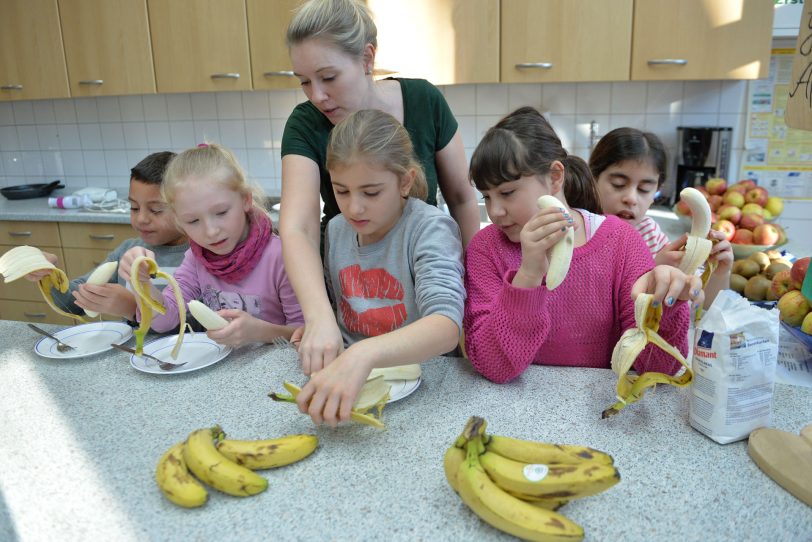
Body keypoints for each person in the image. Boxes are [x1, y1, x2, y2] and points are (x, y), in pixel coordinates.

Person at [280, 0, 479, 374]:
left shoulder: (424, 100)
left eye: (329, 77)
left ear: (367, 58)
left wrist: (472, 290)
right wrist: (321, 317)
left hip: (422, 291)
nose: (316, 95)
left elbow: (461, 197)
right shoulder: (305, 125)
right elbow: (297, 226)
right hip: (352, 291)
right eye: (304, 81)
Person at [463, 107, 704, 384]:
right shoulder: (486, 249)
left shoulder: (620, 241)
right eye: (486, 196)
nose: (495, 212)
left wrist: (665, 304)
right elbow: (494, 366)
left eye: (506, 193)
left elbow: (658, 368)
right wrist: (528, 276)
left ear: (555, 177)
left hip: (598, 411)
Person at [293, 110, 465, 426]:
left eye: (371, 192)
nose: (354, 207)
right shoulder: (336, 230)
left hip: (426, 394)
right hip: (352, 384)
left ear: (405, 181)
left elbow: (446, 327)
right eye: (341, 190)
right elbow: (348, 316)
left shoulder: (429, 229)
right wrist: (323, 329)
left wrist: (363, 354)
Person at [119, 144, 303, 347]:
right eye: (193, 221)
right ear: (179, 220)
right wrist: (142, 282)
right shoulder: (195, 259)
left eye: (221, 213)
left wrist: (258, 331)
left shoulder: (280, 256)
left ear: (245, 200)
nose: (210, 231)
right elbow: (165, 320)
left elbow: (304, 332)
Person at [24, 152, 188, 321]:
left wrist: (131, 308)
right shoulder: (127, 252)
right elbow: (73, 303)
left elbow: (197, 328)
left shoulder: (199, 258)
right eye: (134, 208)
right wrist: (50, 275)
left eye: (156, 210)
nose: (141, 219)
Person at [589, 127, 732, 308]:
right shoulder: (578, 233)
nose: (631, 198)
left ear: (656, 190)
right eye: (618, 184)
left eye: (644, 189)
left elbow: (701, 307)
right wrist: (651, 271)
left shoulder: (650, 235)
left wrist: (719, 273)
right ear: (592, 179)